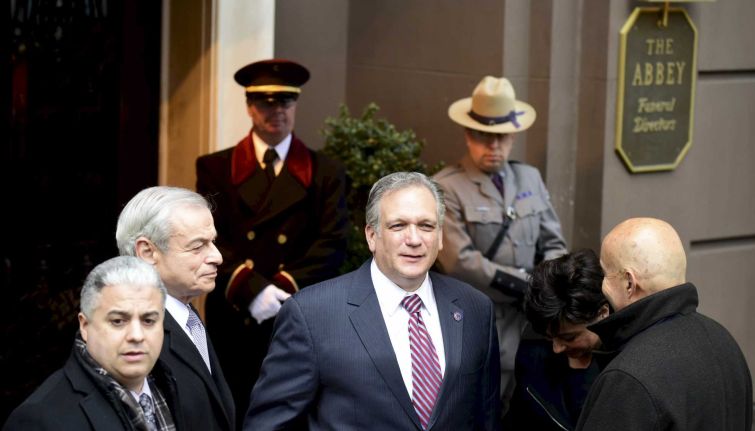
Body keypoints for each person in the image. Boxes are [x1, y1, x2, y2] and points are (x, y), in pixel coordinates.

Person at [243, 172, 500, 430]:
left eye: (426, 225)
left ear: (441, 236)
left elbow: (486, 418)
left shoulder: (475, 309)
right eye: (398, 225)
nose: (414, 239)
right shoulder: (312, 314)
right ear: (371, 236)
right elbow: (268, 425)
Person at [196, 58, 349, 425]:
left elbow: (332, 243)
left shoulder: (326, 171)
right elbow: (206, 236)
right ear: (250, 107)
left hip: (297, 314)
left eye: (285, 102)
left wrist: (281, 290)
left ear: (295, 106)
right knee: (233, 412)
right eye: (266, 102)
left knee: (292, 414)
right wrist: (251, 290)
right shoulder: (215, 168)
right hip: (235, 315)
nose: (276, 111)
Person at [433, 75, 567, 409]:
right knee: (481, 410)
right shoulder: (447, 187)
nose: (493, 146)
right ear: (468, 134)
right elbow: (459, 262)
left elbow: (554, 244)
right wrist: (528, 284)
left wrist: (549, 286)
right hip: (478, 322)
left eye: (501, 137)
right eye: (484, 136)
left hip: (533, 325)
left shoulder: (529, 178)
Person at [575, 217, 753, 430]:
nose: (602, 284)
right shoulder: (724, 342)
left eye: (605, 273)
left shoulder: (627, 378)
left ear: (629, 283)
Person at [4, 256, 178, 430]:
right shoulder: (38, 419)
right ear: (85, 326)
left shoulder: (178, 389)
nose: (136, 335)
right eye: (118, 321)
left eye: (148, 320)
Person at [116, 186, 236, 431]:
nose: (217, 257)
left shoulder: (185, 314)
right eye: (197, 246)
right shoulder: (132, 338)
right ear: (147, 252)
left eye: (212, 242)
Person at [506, 249, 608, 431]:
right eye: (549, 337)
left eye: (569, 337)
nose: (557, 348)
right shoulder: (533, 345)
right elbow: (518, 418)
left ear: (602, 314)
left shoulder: (624, 363)